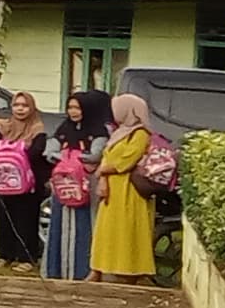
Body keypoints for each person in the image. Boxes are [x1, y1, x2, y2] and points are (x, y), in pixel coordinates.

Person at [41, 89, 110, 283]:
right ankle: (56, 269)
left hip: (86, 188)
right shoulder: (64, 128)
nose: (73, 112)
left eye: (77, 108)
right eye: (70, 107)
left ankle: (82, 270)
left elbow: (95, 154)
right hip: (63, 187)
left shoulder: (98, 131)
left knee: (84, 227)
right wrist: (67, 157)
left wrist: (70, 157)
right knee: (58, 226)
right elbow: (49, 149)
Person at [96, 93, 164, 284]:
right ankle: (99, 267)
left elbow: (127, 159)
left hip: (130, 190)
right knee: (107, 230)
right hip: (112, 188)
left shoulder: (140, 134)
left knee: (128, 231)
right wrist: (103, 176)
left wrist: (103, 170)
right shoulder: (119, 133)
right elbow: (107, 155)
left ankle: (129, 271)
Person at [0, 92, 50, 268]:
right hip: (3, 182)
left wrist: (16, 155)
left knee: (26, 219)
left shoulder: (37, 129)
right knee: (4, 218)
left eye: (25, 105)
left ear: (32, 108)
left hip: (28, 184)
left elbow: (36, 153)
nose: (20, 109)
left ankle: (26, 257)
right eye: (16, 105)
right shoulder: (3, 128)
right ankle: (5, 255)